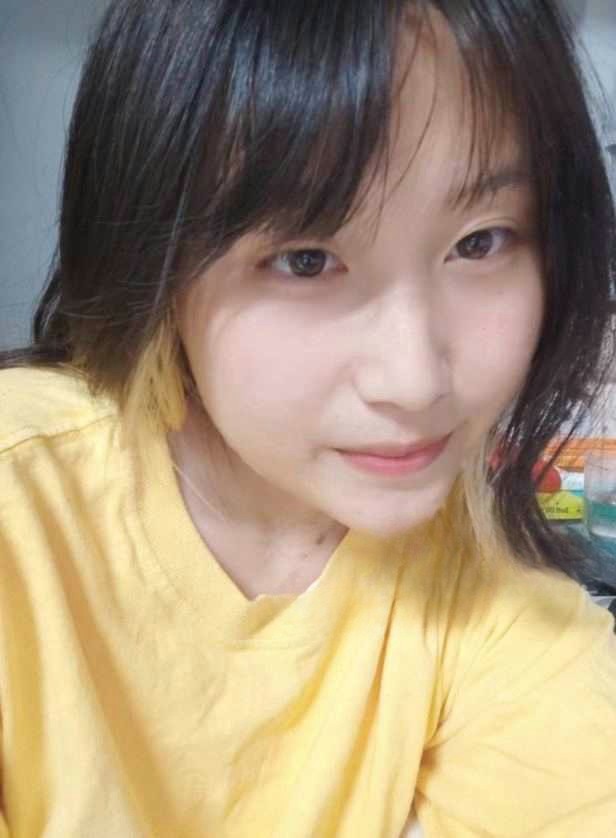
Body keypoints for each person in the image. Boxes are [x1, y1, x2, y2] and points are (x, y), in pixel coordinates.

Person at [0, 0, 615, 835]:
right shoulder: (21, 513)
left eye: (479, 242)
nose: (412, 380)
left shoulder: (495, 588)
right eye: (305, 260)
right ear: (155, 258)